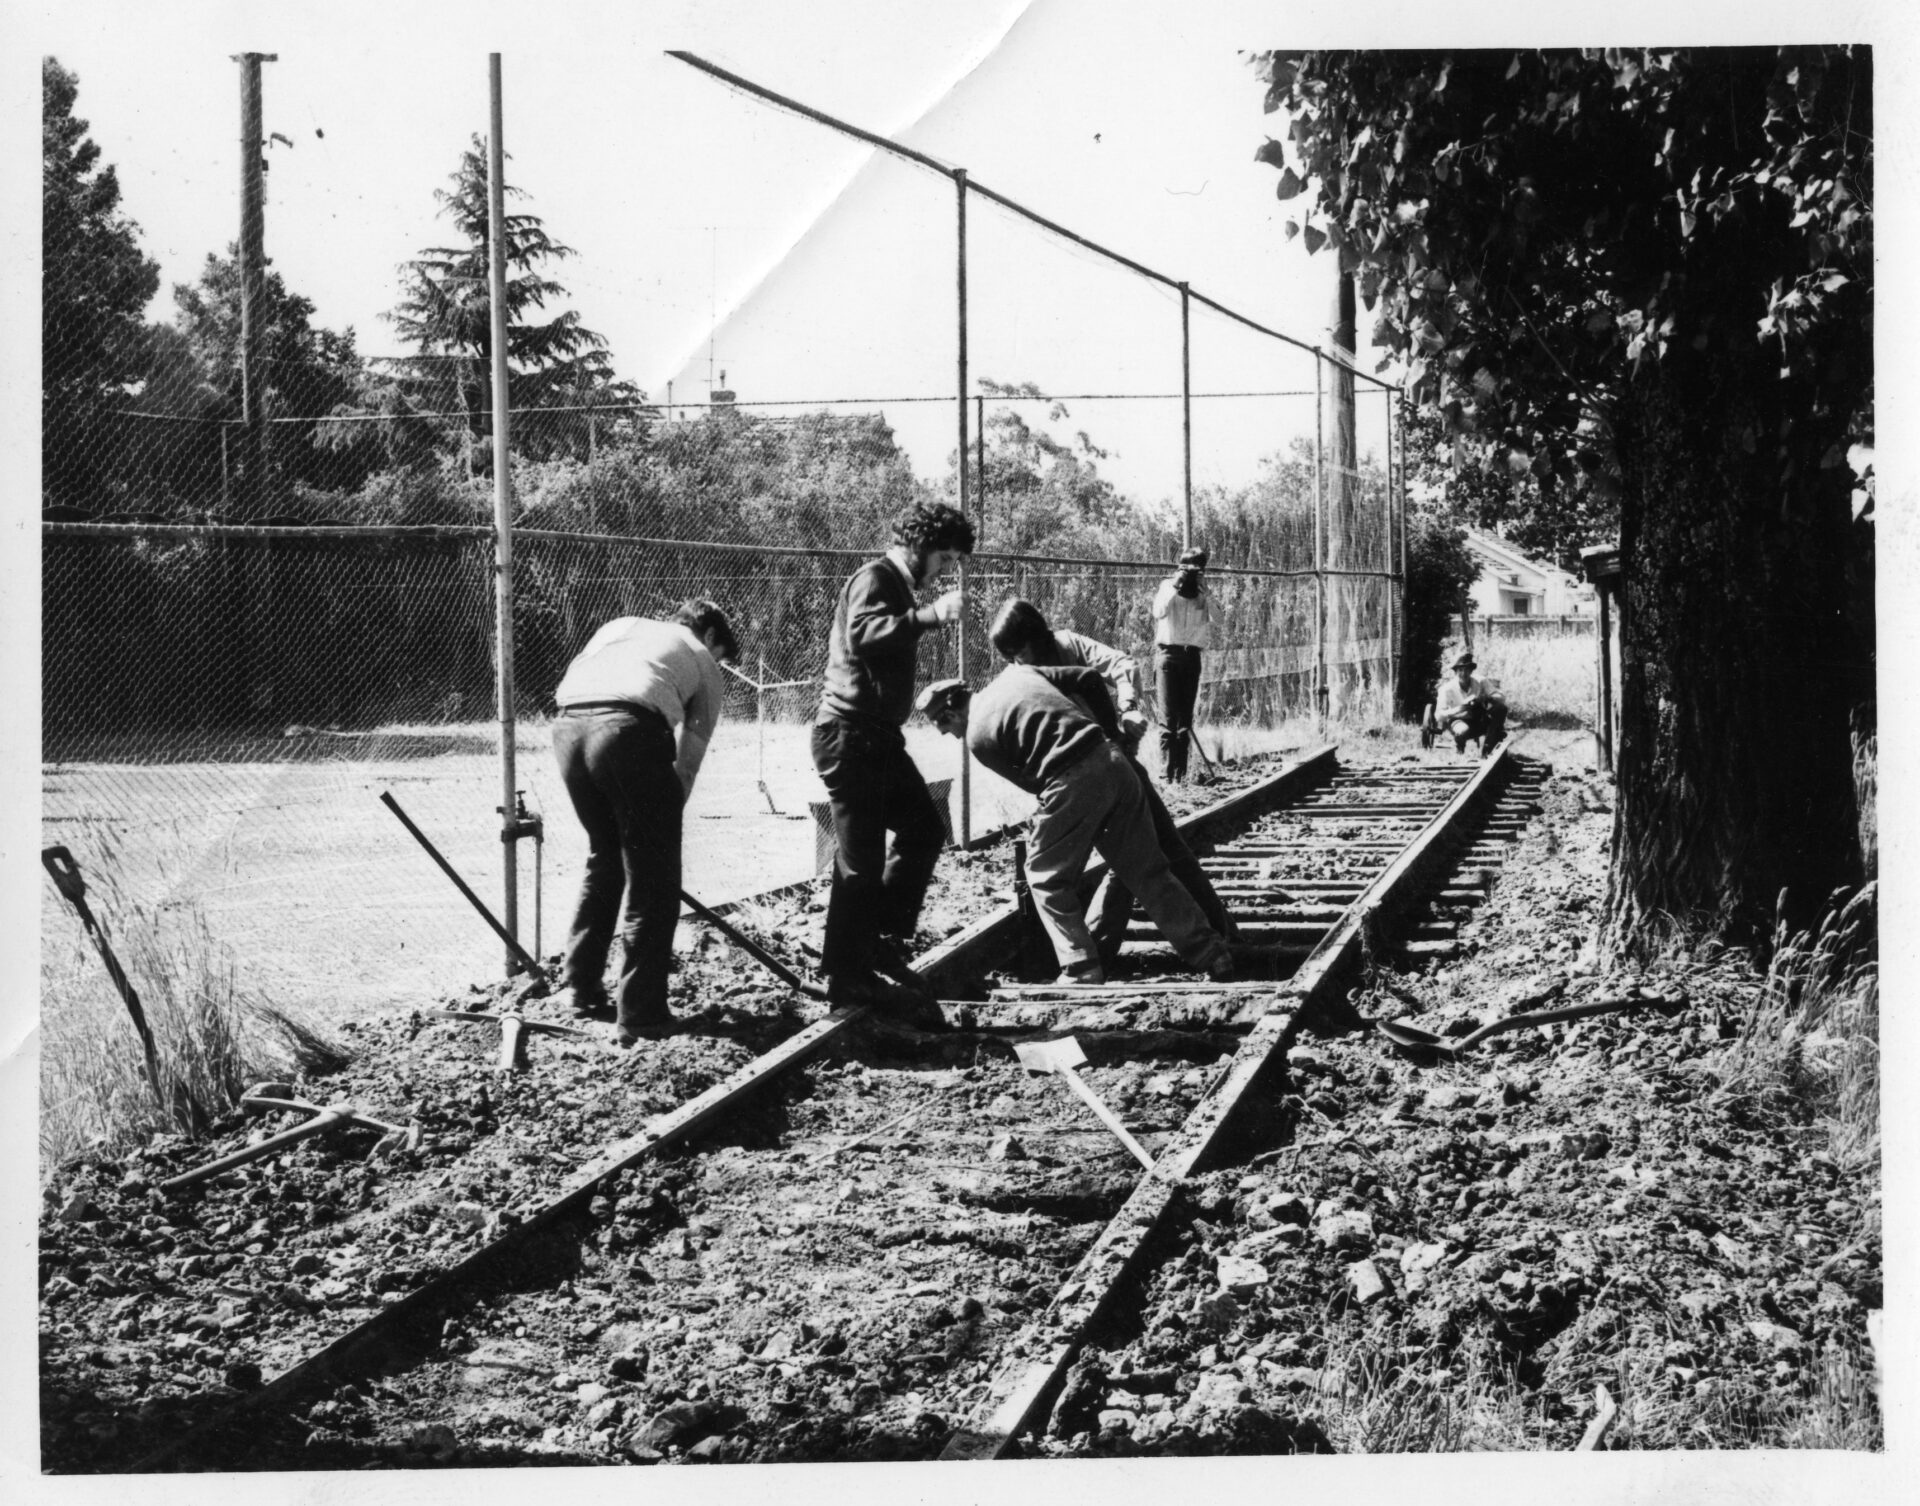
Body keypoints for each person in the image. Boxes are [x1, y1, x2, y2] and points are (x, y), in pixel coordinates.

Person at [920, 670, 1233, 987]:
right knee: (1148, 870)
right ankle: (1211, 952)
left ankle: (1080, 967)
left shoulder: (976, 736)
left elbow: (1034, 784)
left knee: (1044, 876)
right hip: (1114, 759)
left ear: (951, 712)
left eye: (946, 727)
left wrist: (1062, 819)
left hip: (1074, 780)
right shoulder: (1016, 674)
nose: (952, 735)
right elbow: (1086, 678)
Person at [987, 597, 1234, 964]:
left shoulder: (1069, 646)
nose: (1014, 662)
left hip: (1114, 765)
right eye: (1009, 657)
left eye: (1016, 652)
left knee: (1158, 851)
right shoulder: (1022, 676)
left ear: (1032, 639)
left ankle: (1218, 935)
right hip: (1074, 783)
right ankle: (1099, 947)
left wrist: (1128, 706)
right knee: (1134, 859)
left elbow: (1122, 663)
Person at [550, 599, 740, 1046]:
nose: (719, 666)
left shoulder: (623, 624)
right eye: (722, 657)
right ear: (711, 636)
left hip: (566, 729)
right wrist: (661, 831)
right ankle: (642, 1014)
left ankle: (579, 986)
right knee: (654, 879)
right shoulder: (701, 657)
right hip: (627, 733)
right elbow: (687, 765)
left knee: (606, 856)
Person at [812, 500, 975, 1007]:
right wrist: (929, 615)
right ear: (922, 547)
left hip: (876, 739)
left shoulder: (895, 585)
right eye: (945, 558)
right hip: (849, 735)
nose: (945, 570)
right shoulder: (876, 577)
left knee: (924, 828)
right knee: (860, 860)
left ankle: (877, 942)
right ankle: (844, 977)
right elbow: (863, 634)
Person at [1151, 545, 1211, 781]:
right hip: (1168, 656)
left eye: (1197, 569)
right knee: (1167, 721)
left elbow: (1220, 618)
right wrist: (1176, 584)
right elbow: (1158, 611)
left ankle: (1181, 776)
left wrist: (1207, 593)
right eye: (1188, 568)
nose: (1192, 574)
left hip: (1191, 657)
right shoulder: (1167, 586)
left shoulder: (1202, 592)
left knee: (1184, 722)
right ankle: (1167, 777)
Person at [1425, 651, 1509, 753]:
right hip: (1459, 720)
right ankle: (1460, 748)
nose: (1464, 674)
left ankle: (1488, 748)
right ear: (1456, 671)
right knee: (1462, 731)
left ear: (1471, 671)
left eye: (1467, 670)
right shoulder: (1446, 689)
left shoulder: (1481, 681)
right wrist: (1459, 709)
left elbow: (1501, 698)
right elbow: (1439, 716)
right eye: (1460, 670)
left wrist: (1486, 698)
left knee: (1501, 708)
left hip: (1479, 720)